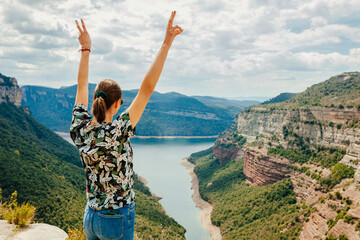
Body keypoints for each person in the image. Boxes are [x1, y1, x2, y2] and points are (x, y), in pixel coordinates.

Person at [69, 11, 183, 240]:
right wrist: (167, 43)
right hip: (116, 219)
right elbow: (147, 89)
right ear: (119, 104)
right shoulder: (119, 131)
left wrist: (85, 49)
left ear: (95, 100)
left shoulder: (79, 128)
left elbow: (81, 84)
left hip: (91, 217)